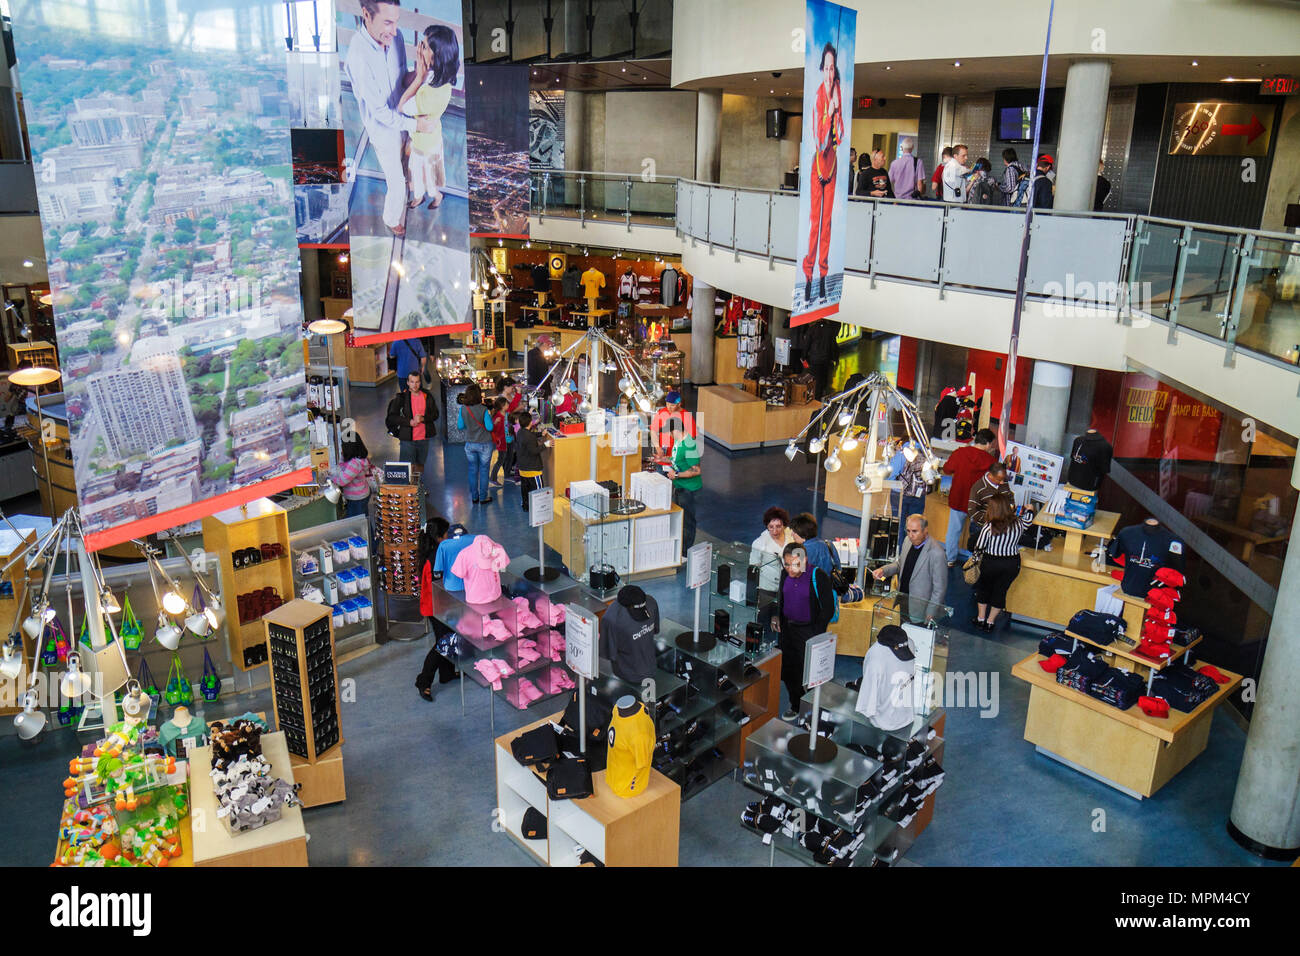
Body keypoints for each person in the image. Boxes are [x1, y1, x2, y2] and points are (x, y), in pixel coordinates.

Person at [344, 0, 440, 238]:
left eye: (396, 22)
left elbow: (401, 80)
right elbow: (380, 113)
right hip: (383, 129)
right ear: (366, 14)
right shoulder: (358, 57)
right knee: (396, 181)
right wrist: (415, 124)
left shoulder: (394, 38)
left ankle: (414, 194)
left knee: (410, 163)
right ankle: (390, 221)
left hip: (403, 116)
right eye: (388, 22)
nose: (395, 31)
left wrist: (420, 75)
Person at [801, 42, 845, 306]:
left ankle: (822, 276)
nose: (829, 74)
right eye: (826, 68)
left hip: (834, 166)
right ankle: (808, 276)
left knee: (827, 223)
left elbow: (839, 137)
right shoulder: (819, 95)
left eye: (832, 68)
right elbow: (821, 143)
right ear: (821, 69)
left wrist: (838, 111)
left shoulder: (837, 92)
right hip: (819, 165)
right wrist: (828, 114)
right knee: (815, 224)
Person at [397, 25, 460, 210]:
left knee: (422, 176)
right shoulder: (439, 78)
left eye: (424, 46)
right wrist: (420, 73)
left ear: (436, 55)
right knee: (420, 175)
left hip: (424, 145)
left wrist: (418, 78)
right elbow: (405, 83)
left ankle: (433, 197)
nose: (419, 49)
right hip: (430, 138)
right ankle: (420, 197)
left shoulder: (430, 93)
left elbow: (401, 106)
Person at [773, 542, 835, 719]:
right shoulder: (785, 573)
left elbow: (827, 609)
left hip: (809, 632)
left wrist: (817, 631)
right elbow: (782, 599)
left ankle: (812, 712)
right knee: (789, 670)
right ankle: (795, 704)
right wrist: (777, 617)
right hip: (788, 630)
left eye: (795, 564)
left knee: (810, 673)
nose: (790, 569)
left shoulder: (818, 576)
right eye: (786, 564)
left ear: (804, 560)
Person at [971, 496, 1035, 631]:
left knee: (984, 589)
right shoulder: (1018, 524)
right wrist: (1030, 509)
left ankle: (980, 618)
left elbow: (980, 546)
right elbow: (1028, 520)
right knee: (1000, 592)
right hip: (1011, 563)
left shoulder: (989, 527)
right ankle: (990, 622)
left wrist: (974, 560)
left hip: (990, 562)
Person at [872, 514, 947, 624]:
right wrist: (883, 570)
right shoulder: (907, 541)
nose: (911, 535)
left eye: (915, 531)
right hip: (903, 601)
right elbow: (899, 564)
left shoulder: (937, 553)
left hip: (920, 611)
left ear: (925, 530)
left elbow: (939, 589)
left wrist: (931, 612)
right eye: (908, 531)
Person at [416, 516, 458, 700]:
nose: (448, 536)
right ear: (440, 537)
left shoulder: (431, 553)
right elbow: (439, 586)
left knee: (446, 637)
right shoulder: (436, 558)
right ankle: (423, 681)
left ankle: (446, 674)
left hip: (433, 605)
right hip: (436, 607)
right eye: (447, 533)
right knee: (444, 643)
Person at [942, 428, 997, 566]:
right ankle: (976, 561)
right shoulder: (991, 461)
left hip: (959, 498)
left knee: (953, 531)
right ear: (989, 444)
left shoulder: (960, 453)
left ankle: (950, 559)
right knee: (980, 534)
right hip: (979, 503)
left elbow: (947, 469)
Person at [385, 370, 437, 475]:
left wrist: (423, 419)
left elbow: (435, 414)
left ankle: (417, 488)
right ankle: (409, 490)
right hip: (407, 440)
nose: (415, 385)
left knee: (420, 467)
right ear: (408, 382)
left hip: (423, 439)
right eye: (412, 382)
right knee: (407, 469)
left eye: (417, 382)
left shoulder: (427, 396)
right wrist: (409, 422)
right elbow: (391, 418)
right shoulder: (401, 398)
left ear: (420, 382)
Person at [456, 382, 495, 504]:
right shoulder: (483, 409)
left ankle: (474, 497)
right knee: (484, 471)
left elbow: (460, 426)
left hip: (470, 444)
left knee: (472, 470)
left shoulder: (463, 409)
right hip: (484, 444)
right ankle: (483, 497)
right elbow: (489, 428)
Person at [967, 461, 1015, 553]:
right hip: (981, 527)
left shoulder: (1003, 482)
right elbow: (972, 510)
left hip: (1001, 527)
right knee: (978, 555)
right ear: (990, 475)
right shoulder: (978, 487)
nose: (1002, 482)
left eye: (1003, 479)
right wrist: (991, 519)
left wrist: (1011, 507)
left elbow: (1009, 497)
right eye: (999, 479)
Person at [890, 442, 930, 551]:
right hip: (919, 495)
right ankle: (912, 549)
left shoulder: (902, 454)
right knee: (916, 525)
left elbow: (890, 474)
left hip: (900, 494)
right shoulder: (926, 452)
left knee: (899, 523)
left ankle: (898, 550)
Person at [666, 432, 701, 551]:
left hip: (688, 490)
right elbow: (676, 460)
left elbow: (696, 470)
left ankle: (685, 552)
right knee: (678, 518)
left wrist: (676, 475)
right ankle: (678, 547)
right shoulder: (678, 441)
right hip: (679, 487)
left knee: (687, 522)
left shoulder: (689, 445)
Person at [330, 436, 375, 519]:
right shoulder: (359, 458)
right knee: (364, 521)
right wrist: (343, 457)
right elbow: (341, 467)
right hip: (361, 494)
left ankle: (367, 532)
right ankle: (369, 532)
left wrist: (331, 477)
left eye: (343, 445)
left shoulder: (354, 463)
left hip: (357, 498)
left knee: (357, 525)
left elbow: (341, 481)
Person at [750, 505, 793, 594]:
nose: (775, 531)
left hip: (789, 585)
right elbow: (753, 568)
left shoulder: (792, 536)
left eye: (778, 526)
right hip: (767, 589)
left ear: (784, 525)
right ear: (767, 526)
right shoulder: (759, 543)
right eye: (771, 527)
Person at [511, 410, 547, 510]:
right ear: (530, 422)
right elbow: (534, 451)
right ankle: (540, 508)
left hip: (523, 468)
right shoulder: (529, 436)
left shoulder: (520, 432)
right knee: (538, 490)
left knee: (525, 489)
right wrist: (546, 445)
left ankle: (526, 506)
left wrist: (540, 434)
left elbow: (530, 437)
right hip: (533, 469)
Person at [789, 512, 841, 578]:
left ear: (802, 533)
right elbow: (839, 569)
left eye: (794, 532)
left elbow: (799, 579)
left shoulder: (800, 552)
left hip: (811, 588)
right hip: (829, 587)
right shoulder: (829, 544)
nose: (792, 534)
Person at [650, 390, 697, 458]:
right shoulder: (661, 413)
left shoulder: (687, 416)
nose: (669, 407)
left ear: (679, 404)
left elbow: (691, 438)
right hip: (663, 457)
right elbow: (653, 431)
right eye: (667, 404)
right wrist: (658, 448)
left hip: (679, 459)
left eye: (672, 405)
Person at [488, 396, 513, 488]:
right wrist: (494, 424)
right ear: (502, 406)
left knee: (509, 458)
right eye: (506, 404)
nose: (508, 405)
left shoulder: (507, 414)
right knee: (501, 460)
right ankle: (493, 478)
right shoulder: (497, 417)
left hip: (509, 440)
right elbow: (493, 430)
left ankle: (507, 475)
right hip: (502, 442)